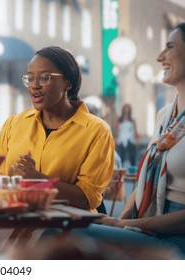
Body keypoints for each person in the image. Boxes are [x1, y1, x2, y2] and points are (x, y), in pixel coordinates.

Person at [66, 22, 185, 256]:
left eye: (170, 46)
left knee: (71, 237)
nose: (160, 56)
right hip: (149, 225)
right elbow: (142, 184)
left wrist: (124, 227)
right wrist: (117, 221)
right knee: (61, 230)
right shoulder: (165, 117)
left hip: (176, 237)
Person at [0, 46, 115, 212]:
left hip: (66, 229)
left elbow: (88, 198)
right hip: (14, 220)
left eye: (45, 78)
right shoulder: (13, 124)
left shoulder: (97, 131)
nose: (35, 85)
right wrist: (11, 176)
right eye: (30, 78)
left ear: (68, 83)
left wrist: (38, 180)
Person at [114, 103, 139, 167]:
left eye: (128, 109)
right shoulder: (119, 119)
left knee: (132, 157)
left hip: (130, 140)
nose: (126, 110)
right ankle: (120, 170)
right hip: (121, 140)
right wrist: (115, 140)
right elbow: (116, 131)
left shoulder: (132, 120)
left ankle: (133, 170)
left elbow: (135, 131)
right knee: (120, 157)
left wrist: (136, 141)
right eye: (125, 109)